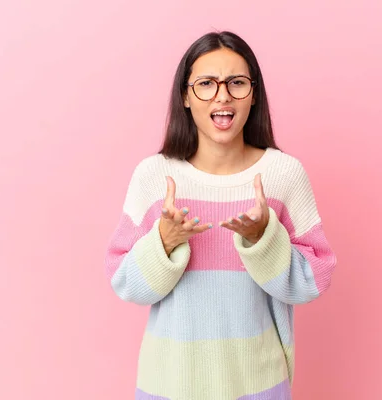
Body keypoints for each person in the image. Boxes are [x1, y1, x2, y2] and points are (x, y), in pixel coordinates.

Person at [104, 30, 337, 400]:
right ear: (185, 95)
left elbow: (313, 280)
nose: (222, 95)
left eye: (237, 83)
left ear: (254, 93)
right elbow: (125, 283)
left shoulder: (283, 175)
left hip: (258, 386)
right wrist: (164, 243)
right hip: (168, 387)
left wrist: (264, 240)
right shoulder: (153, 177)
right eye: (206, 84)